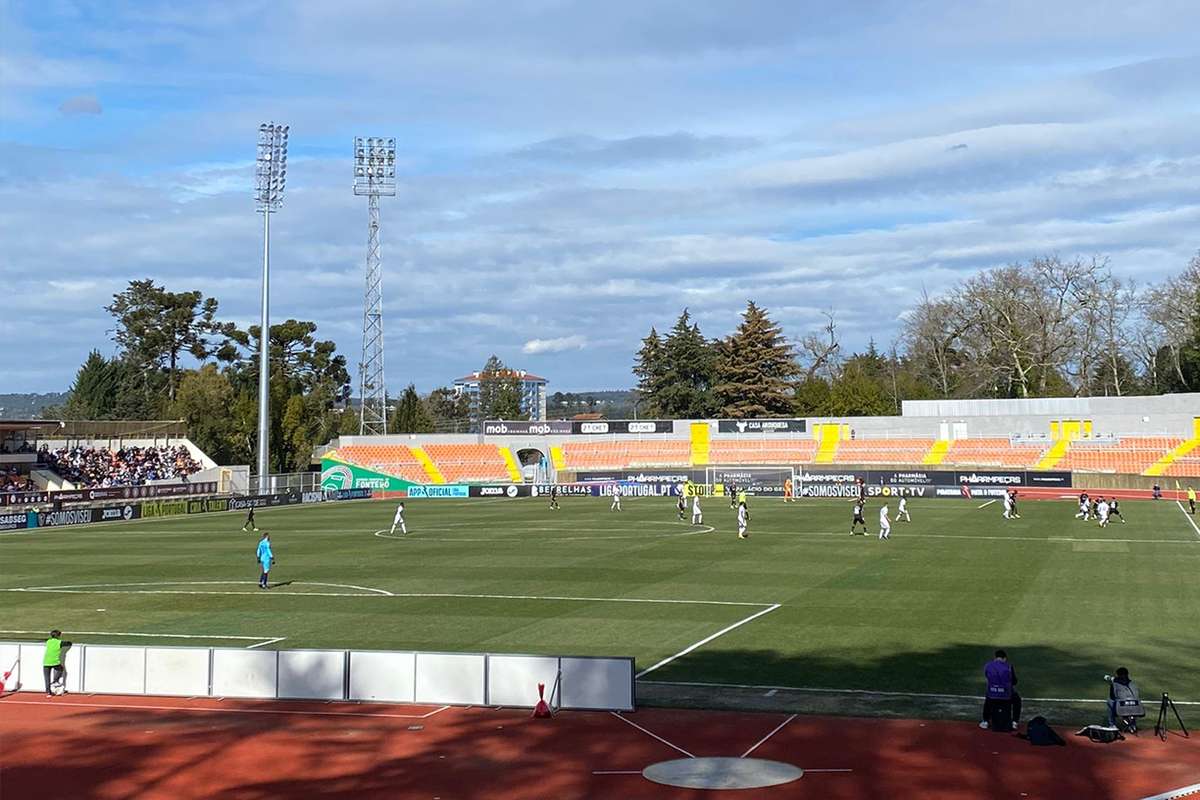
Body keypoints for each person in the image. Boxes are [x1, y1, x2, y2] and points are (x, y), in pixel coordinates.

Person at [980, 649, 1021, 731]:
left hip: (992, 694)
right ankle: (1014, 722)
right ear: (1004, 658)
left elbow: (987, 676)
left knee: (988, 699)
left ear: (995, 657)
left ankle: (985, 721)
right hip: (1006, 696)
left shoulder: (988, 665)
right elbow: (1014, 681)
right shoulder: (1009, 666)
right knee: (1017, 700)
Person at [43, 630, 71, 696]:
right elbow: (69, 643)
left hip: (46, 661)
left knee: (47, 677)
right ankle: (55, 681)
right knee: (60, 669)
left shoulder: (48, 641)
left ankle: (48, 691)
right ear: (58, 636)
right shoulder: (59, 642)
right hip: (55, 661)